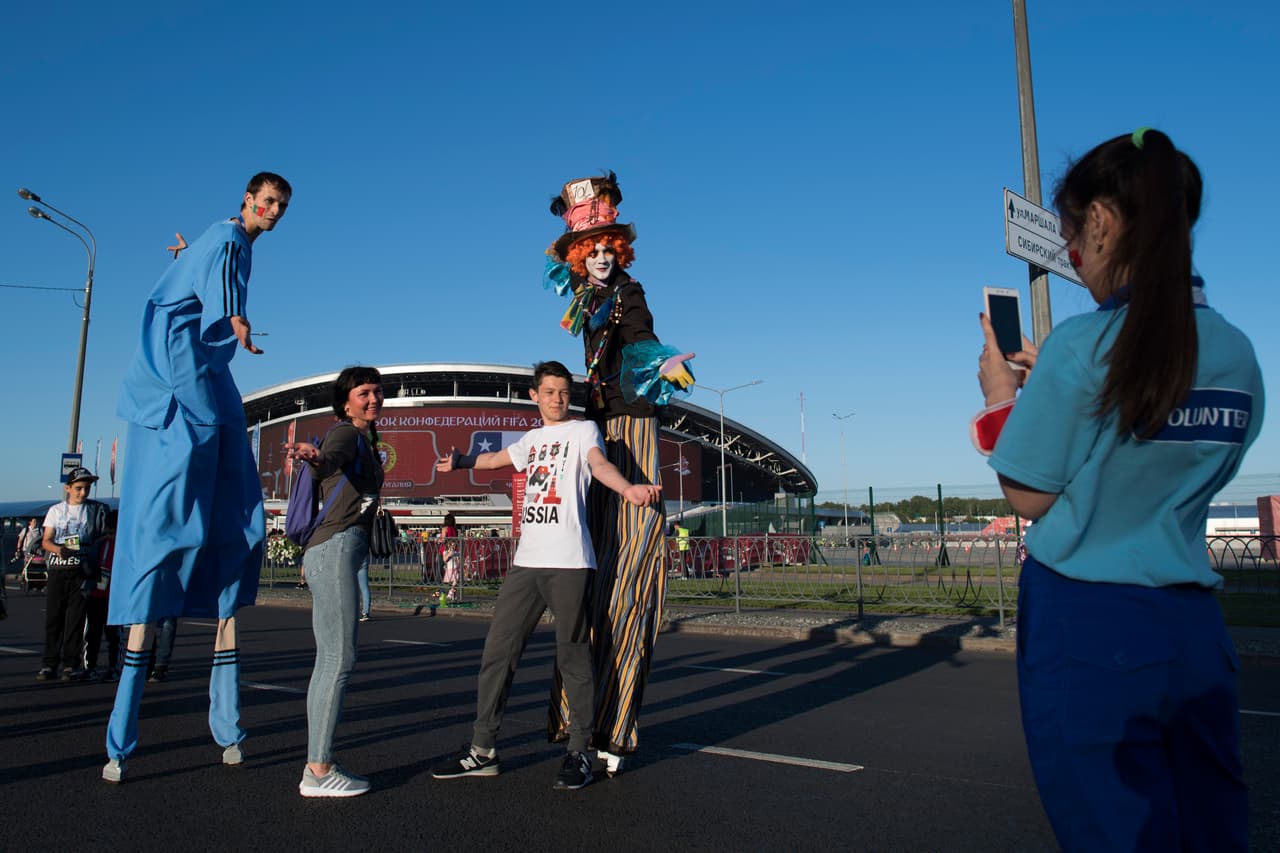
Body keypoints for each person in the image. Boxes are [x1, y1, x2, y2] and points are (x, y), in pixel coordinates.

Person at [974, 128, 1263, 852]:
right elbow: (1159, 454)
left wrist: (1002, 399)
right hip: (1196, 634)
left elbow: (1027, 495)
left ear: (1100, 223)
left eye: (1072, 237)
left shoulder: (1081, 348)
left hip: (1090, 628)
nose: (1074, 255)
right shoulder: (1237, 352)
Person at [103, 171, 291, 784]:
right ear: (247, 201)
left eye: (280, 207)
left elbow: (200, 271)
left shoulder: (219, 238)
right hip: (185, 389)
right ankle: (147, 731)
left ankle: (195, 728)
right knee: (192, 528)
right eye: (267, 203)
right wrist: (234, 318)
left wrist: (186, 265)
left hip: (202, 387)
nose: (273, 213)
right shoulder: (231, 238)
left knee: (219, 523)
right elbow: (220, 287)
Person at [431, 361, 662, 790]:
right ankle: (483, 750)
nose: (557, 399)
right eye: (549, 391)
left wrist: (628, 488)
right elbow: (497, 459)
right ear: (533, 396)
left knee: (573, 655)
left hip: (570, 561)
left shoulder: (582, 432)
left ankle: (578, 752)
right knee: (498, 653)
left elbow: (597, 465)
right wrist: (460, 461)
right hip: (526, 563)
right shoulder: (532, 439)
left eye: (563, 392)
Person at [541, 173, 694, 775]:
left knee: (628, 585)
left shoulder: (629, 293)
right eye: (592, 247)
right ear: (581, 254)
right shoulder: (584, 299)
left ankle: (614, 724)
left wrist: (663, 362)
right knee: (590, 583)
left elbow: (641, 339)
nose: (603, 254)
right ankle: (577, 717)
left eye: (610, 246)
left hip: (631, 434)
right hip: (598, 433)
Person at [284, 365, 385, 798]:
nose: (374, 399)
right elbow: (331, 458)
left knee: (330, 659)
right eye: (364, 392)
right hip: (337, 547)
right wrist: (316, 456)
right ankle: (319, 771)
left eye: (378, 392)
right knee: (337, 659)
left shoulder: (366, 438)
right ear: (346, 401)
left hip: (337, 548)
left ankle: (319, 763)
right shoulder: (346, 433)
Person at [38, 467, 108, 681]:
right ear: (68, 488)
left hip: (81, 570)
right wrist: (59, 549)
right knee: (54, 618)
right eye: (78, 488)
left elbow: (101, 537)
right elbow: (46, 541)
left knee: (76, 620)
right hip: (60, 568)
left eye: (86, 488)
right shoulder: (56, 511)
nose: (82, 493)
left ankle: (71, 663)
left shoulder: (94, 511)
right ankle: (49, 663)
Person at [84, 510, 121, 682]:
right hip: (96, 593)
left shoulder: (125, 546)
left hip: (115, 597)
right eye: (110, 530)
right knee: (93, 632)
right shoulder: (99, 544)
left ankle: (113, 667)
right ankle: (90, 666)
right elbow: (89, 566)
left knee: (113, 635)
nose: (111, 534)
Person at [440, 513, 460, 601]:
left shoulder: (445, 529)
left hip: (446, 550)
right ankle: (453, 594)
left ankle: (449, 593)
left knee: (449, 572)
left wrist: (439, 540)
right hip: (454, 550)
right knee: (455, 572)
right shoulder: (455, 530)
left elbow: (443, 540)